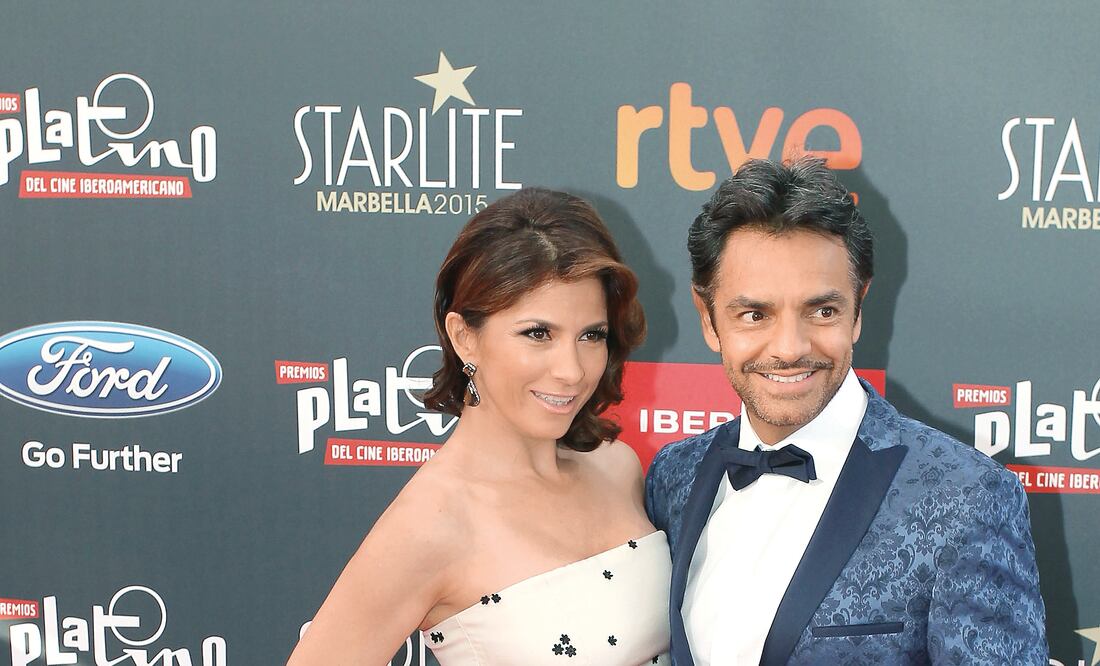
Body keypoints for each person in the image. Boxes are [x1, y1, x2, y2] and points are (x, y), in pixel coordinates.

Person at [645, 158, 1047, 665]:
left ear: (858, 309)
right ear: (708, 319)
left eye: (822, 311)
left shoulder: (966, 497)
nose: (789, 347)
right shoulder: (675, 475)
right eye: (754, 314)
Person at [287, 188, 671, 665]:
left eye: (591, 335)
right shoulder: (429, 525)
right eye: (538, 334)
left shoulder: (617, 468)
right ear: (464, 337)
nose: (572, 370)